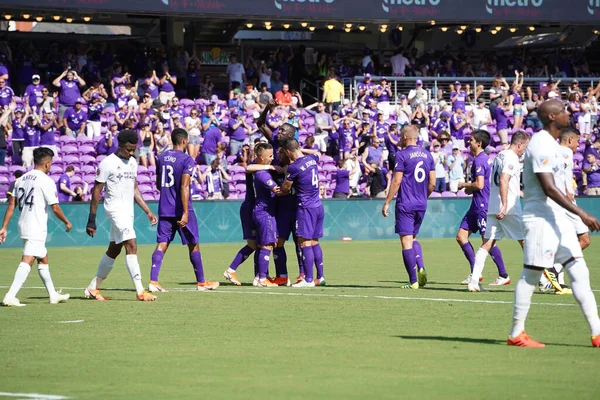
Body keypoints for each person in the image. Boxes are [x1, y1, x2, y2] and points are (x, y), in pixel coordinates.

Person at [507, 99, 600, 348]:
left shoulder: (556, 147)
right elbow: (548, 187)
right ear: (551, 117)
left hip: (558, 218)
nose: (567, 113)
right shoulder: (540, 143)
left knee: (580, 270)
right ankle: (516, 333)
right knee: (531, 274)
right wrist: (582, 212)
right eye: (562, 111)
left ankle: (597, 333)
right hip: (540, 219)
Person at [84, 130, 158, 302]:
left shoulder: (132, 162)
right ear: (120, 145)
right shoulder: (107, 163)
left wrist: (147, 211)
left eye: (134, 149)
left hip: (128, 212)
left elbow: (134, 189)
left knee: (114, 249)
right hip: (114, 210)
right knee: (131, 243)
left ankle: (93, 287)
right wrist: (91, 219)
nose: (131, 153)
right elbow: (96, 192)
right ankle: (140, 291)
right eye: (129, 149)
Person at [148, 128, 219, 293]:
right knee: (193, 244)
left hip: (164, 208)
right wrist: (185, 212)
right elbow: (185, 186)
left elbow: (159, 184)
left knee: (162, 243)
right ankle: (201, 282)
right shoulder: (187, 160)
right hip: (180, 208)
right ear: (184, 141)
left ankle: (153, 280)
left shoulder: (162, 157)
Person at [0, 148, 72, 307]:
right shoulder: (46, 181)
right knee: (28, 259)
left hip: (23, 224)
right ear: (47, 163)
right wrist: (66, 222)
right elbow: (55, 207)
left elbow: (12, 205)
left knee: (43, 257)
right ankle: (10, 295)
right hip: (36, 226)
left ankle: (53, 294)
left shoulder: (20, 180)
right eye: (51, 163)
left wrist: (4, 227)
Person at [467, 131, 530, 292]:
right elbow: (504, 179)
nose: (525, 150)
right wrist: (505, 203)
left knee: (487, 243)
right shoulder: (511, 157)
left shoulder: (499, 155)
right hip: (507, 207)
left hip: (493, 205)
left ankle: (474, 281)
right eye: (525, 147)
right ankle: (543, 280)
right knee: (526, 241)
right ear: (520, 144)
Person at [382, 125, 435, 289]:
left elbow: (396, 181)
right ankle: (421, 267)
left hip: (406, 204)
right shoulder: (428, 155)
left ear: (405, 136)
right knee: (413, 238)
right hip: (421, 203)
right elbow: (432, 182)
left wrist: (387, 202)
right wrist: (423, 197)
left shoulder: (401, 155)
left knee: (406, 242)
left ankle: (413, 281)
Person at [543, 127, 592, 295]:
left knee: (565, 240)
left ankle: (555, 281)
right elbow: (562, 173)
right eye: (577, 141)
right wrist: (567, 191)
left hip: (557, 201)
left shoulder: (554, 150)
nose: (578, 145)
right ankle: (554, 269)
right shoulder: (565, 152)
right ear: (570, 140)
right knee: (584, 239)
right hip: (565, 202)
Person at [456, 130, 507, 284]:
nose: (468, 142)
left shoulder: (480, 160)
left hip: (482, 205)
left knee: (488, 241)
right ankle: (475, 272)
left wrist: (464, 185)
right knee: (461, 236)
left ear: (479, 143)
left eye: (471, 140)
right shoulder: (483, 159)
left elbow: (479, 184)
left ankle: (504, 275)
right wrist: (470, 188)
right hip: (476, 204)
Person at [281, 138, 325, 288]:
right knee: (314, 242)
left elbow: (286, 188)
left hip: (305, 207)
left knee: (304, 242)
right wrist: (300, 149)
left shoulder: (294, 167)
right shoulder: (312, 159)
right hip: (318, 205)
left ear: (288, 152)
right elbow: (317, 152)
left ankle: (308, 280)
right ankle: (320, 277)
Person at [249, 143, 280, 287]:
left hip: (261, 211)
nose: (273, 158)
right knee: (267, 245)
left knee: (262, 245)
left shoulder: (261, 171)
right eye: (270, 156)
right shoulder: (262, 174)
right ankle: (262, 279)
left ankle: (258, 277)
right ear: (261, 157)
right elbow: (277, 190)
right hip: (265, 212)